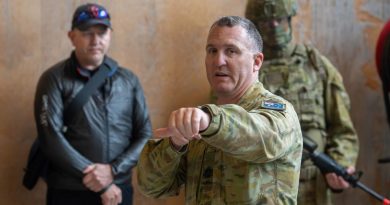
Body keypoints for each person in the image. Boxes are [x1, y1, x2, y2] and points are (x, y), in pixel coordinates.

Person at [137, 16, 303, 204]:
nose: (218, 61)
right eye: (212, 51)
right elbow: (151, 186)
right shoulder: (200, 121)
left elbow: (260, 137)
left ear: (256, 62)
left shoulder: (279, 112)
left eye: (231, 51)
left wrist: (209, 121)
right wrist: (175, 144)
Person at [34, 3, 152, 205]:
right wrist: (101, 182)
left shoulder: (129, 80)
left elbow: (145, 134)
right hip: (68, 191)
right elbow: (50, 137)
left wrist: (113, 171)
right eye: (87, 32)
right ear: (72, 36)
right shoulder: (53, 78)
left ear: (110, 35)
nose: (95, 40)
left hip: (118, 189)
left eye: (102, 32)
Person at [245, 0, 360, 204]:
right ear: (256, 24)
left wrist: (340, 165)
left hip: (313, 187)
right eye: (266, 21)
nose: (274, 26)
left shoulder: (317, 66)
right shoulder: (244, 71)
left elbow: (342, 129)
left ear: (289, 18)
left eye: (279, 19)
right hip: (263, 188)